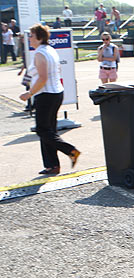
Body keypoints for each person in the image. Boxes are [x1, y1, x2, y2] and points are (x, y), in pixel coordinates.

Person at [19, 24, 80, 175]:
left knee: (42, 130)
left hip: (46, 95)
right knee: (48, 130)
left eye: (31, 36)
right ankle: (52, 166)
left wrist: (29, 93)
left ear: (39, 37)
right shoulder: (50, 50)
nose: (29, 39)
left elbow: (43, 78)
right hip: (55, 93)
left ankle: (71, 150)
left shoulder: (40, 54)